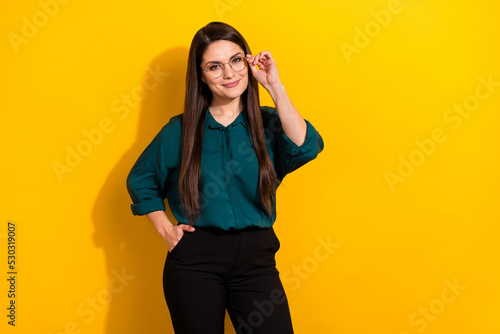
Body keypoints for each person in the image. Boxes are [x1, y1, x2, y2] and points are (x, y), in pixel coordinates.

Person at [126, 21, 324, 334]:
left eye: (235, 60)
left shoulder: (270, 123)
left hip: (256, 259)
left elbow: (305, 145)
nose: (229, 74)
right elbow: (141, 180)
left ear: (248, 61)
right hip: (195, 261)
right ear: (201, 76)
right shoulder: (179, 131)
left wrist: (275, 86)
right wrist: (165, 229)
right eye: (215, 67)